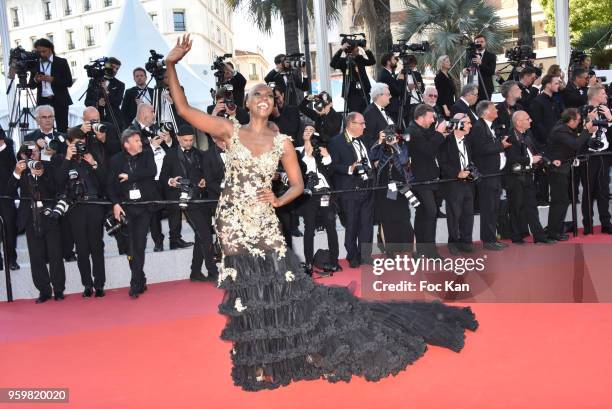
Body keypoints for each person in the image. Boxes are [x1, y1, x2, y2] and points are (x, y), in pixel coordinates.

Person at [165, 34, 478, 392]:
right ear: (246, 103)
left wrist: (279, 201)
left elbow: (298, 185)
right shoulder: (228, 131)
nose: (264, 98)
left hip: (265, 222)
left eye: (269, 95)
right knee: (248, 289)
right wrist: (172, 64)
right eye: (257, 94)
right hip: (232, 222)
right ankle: (261, 354)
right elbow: (184, 109)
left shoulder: (282, 142)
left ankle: (287, 349)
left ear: (274, 105)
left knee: (280, 287)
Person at [160, 125, 220, 281]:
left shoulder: (201, 154)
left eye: (191, 140)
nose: (188, 143)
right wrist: (171, 181)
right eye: (185, 140)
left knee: (202, 235)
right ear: (178, 138)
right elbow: (162, 177)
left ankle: (195, 271)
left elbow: (207, 174)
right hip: (186, 200)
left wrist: (204, 180)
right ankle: (213, 271)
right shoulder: (171, 155)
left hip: (202, 199)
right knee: (206, 235)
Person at [10, 143, 66, 303]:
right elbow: (9, 190)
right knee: (36, 256)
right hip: (30, 217)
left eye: (37, 151)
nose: (35, 154)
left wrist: (41, 175)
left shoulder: (47, 167)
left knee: (55, 254)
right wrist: (16, 173)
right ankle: (44, 290)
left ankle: (59, 289)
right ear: (23, 155)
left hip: (48, 215)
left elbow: (56, 188)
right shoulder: (20, 170)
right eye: (31, 152)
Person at [107, 129, 160, 298]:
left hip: (144, 207)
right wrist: (115, 204)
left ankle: (135, 282)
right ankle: (140, 277)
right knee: (130, 246)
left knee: (139, 243)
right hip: (125, 208)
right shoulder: (116, 160)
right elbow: (109, 185)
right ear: (126, 144)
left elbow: (151, 172)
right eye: (136, 140)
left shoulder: (147, 155)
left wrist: (130, 176)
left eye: (140, 140)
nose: (140, 143)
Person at [56, 127, 108, 297]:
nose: (81, 146)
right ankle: (87, 284)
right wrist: (67, 157)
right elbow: (58, 182)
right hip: (75, 208)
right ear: (70, 143)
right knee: (82, 248)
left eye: (83, 142)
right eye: (77, 143)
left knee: (97, 246)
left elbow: (104, 181)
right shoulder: (62, 159)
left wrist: (93, 163)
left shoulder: (91, 156)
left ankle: (99, 284)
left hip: (94, 205)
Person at [328, 112, 375, 268]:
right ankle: (352, 255)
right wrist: (350, 168)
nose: (365, 126)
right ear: (351, 124)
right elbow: (332, 166)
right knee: (352, 224)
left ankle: (366, 255)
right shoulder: (336, 142)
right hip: (349, 190)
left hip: (368, 187)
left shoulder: (364, 140)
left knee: (366, 224)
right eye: (362, 123)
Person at [503, 111, 556, 244]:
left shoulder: (527, 135)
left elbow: (535, 150)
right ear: (518, 122)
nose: (530, 120)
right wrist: (531, 159)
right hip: (514, 178)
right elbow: (511, 159)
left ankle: (539, 237)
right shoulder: (509, 137)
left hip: (527, 176)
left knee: (532, 207)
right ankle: (516, 237)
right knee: (515, 208)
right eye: (527, 119)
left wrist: (544, 160)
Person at [296, 125, 341, 275]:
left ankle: (334, 262)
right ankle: (308, 263)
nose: (308, 131)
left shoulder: (320, 149)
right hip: (309, 195)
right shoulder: (297, 151)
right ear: (302, 134)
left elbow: (330, 166)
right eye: (305, 130)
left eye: (311, 130)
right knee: (309, 229)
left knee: (330, 227)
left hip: (324, 193)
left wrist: (322, 150)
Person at [407, 104, 448, 258]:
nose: (433, 121)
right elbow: (428, 149)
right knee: (430, 212)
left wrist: (438, 133)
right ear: (422, 116)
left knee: (424, 213)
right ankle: (429, 251)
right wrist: (438, 133)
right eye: (431, 117)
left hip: (430, 178)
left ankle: (421, 249)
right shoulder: (412, 131)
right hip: (420, 180)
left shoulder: (423, 130)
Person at [471, 101, 512, 250]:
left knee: (494, 208)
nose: (497, 110)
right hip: (487, 175)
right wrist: (501, 145)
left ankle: (492, 238)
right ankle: (488, 240)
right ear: (486, 112)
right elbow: (481, 149)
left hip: (495, 173)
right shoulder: (478, 127)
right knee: (488, 208)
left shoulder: (490, 126)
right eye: (494, 108)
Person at [546, 109, 591, 241]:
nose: (579, 123)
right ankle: (553, 232)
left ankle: (556, 230)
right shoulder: (560, 131)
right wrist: (586, 130)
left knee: (562, 201)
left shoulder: (563, 127)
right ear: (570, 121)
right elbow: (576, 144)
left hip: (562, 169)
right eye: (578, 121)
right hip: (557, 171)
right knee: (559, 201)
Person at [369, 123, 414, 255]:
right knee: (386, 220)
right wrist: (379, 141)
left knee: (403, 217)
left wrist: (395, 145)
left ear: (398, 136)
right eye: (388, 135)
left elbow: (404, 161)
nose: (390, 138)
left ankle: (406, 247)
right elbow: (371, 156)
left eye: (392, 135)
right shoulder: (381, 147)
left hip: (400, 187)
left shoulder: (403, 146)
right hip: (384, 188)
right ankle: (389, 251)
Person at [437, 113, 475, 254]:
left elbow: (470, 159)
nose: (471, 125)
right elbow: (442, 163)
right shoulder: (446, 141)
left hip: (468, 182)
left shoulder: (469, 141)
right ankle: (453, 242)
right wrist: (456, 173)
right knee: (454, 214)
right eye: (468, 123)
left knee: (468, 213)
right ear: (458, 124)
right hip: (453, 183)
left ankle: (466, 241)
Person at [579, 84, 612, 234]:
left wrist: (610, 119)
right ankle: (588, 225)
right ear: (595, 95)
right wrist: (587, 121)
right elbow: (577, 135)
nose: (606, 96)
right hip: (588, 157)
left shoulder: (607, 111)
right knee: (588, 192)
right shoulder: (581, 111)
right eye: (603, 94)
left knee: (604, 190)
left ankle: (606, 223)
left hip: (604, 155)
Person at [28, 39, 73, 132]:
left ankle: (63, 146)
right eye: (39, 52)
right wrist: (36, 79)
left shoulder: (61, 62)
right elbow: (31, 86)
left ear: (50, 49)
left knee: (62, 128)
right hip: (43, 101)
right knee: (45, 130)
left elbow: (69, 82)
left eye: (44, 51)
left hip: (59, 100)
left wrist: (53, 80)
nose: (41, 54)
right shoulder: (35, 64)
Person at [330, 41, 376, 114]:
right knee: (355, 115)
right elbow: (333, 64)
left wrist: (365, 49)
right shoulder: (344, 61)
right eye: (355, 48)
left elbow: (372, 61)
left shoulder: (359, 59)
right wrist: (341, 49)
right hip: (351, 93)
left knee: (367, 114)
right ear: (350, 50)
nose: (357, 49)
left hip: (364, 91)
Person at [84, 57, 125, 128]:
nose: (115, 70)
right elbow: (87, 102)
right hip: (97, 120)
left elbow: (118, 102)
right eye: (112, 67)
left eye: (117, 69)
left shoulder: (120, 84)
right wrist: (97, 103)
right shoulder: (93, 81)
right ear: (106, 65)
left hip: (114, 121)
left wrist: (107, 91)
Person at [0, 130, 20, 271]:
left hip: (6, 196)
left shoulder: (8, 148)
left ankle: (11, 259)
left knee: (9, 229)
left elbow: (14, 169)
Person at [363, 83, 395, 149]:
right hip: (381, 153)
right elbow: (368, 139)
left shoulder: (383, 109)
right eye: (388, 94)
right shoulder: (370, 113)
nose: (390, 96)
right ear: (380, 96)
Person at [377, 53, 403, 123]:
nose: (395, 61)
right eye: (394, 59)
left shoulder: (386, 73)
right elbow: (397, 91)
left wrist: (396, 79)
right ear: (388, 62)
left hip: (391, 107)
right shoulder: (386, 75)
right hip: (391, 108)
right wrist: (400, 80)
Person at [434, 55, 456, 119]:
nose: (449, 63)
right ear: (442, 64)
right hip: (444, 106)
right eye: (447, 62)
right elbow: (440, 94)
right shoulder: (439, 76)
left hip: (450, 103)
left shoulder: (448, 75)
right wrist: (445, 109)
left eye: (449, 61)